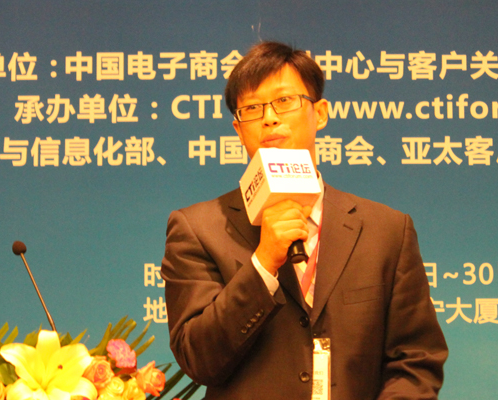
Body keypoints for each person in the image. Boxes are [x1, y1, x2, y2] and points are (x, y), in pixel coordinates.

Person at [162, 41, 448, 400]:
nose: (269, 118)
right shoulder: (197, 229)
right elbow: (198, 359)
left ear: (321, 113)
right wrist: (263, 264)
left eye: (284, 101)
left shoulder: (387, 230)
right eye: (252, 108)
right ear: (238, 129)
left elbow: (416, 360)